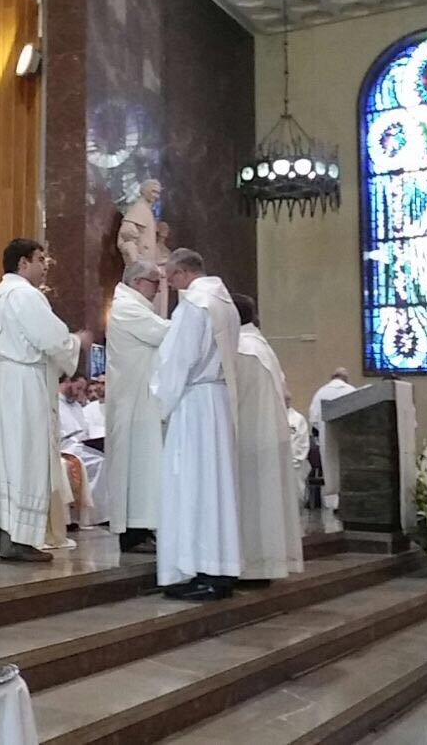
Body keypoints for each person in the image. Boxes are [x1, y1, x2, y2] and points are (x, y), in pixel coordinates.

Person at [0, 238, 89, 562]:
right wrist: (76, 341)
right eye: (39, 259)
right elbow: (52, 338)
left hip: (2, 383)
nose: (44, 265)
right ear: (23, 263)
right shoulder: (25, 295)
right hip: (23, 386)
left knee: (4, 458)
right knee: (24, 457)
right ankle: (18, 538)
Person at [152, 248, 242, 600]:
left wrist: (160, 399)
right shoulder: (226, 303)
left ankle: (200, 568)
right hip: (217, 400)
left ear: (184, 272)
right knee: (215, 485)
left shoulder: (193, 305)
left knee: (193, 484)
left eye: (171, 278)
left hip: (194, 404)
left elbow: (178, 359)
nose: (172, 286)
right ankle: (220, 567)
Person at [232, 294, 302, 583]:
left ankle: (253, 566)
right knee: (266, 503)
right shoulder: (261, 346)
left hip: (250, 438)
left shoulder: (241, 348)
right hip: (266, 435)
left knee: (252, 503)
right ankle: (266, 565)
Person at [106, 260, 169, 554]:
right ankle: (133, 533)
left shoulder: (136, 306)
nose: (158, 291)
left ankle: (143, 528)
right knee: (137, 465)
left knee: (145, 464)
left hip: (143, 399)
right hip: (132, 402)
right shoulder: (126, 308)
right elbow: (162, 333)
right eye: (155, 283)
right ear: (137, 282)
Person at [57, 374, 106, 528]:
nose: (79, 393)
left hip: (82, 446)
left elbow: (85, 430)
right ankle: (94, 515)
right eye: (78, 388)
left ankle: (100, 513)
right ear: (67, 383)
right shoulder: (55, 404)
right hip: (66, 447)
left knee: (104, 459)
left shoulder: (76, 406)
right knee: (100, 462)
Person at [309, 367, 358, 511]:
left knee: (330, 467)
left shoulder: (321, 392)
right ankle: (349, 500)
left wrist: (322, 429)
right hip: (348, 436)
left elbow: (313, 419)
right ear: (345, 378)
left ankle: (332, 502)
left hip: (327, 435)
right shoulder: (351, 391)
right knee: (347, 467)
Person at [286, 389, 311, 507]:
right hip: (276, 465)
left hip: (294, 465)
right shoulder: (271, 417)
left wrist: (294, 460)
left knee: (295, 498)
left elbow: (302, 444)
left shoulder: (298, 419)